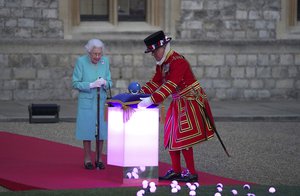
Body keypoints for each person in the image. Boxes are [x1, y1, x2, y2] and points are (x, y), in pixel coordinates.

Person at [137, 31, 215, 182]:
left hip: (191, 99)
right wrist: (138, 94)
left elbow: (171, 85)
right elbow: (156, 82)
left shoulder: (178, 61)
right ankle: (176, 171)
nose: (153, 55)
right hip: (178, 100)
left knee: (183, 138)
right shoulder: (163, 63)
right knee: (171, 135)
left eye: (154, 52)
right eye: (152, 53)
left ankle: (192, 173)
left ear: (163, 47)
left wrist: (151, 100)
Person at [72, 39, 112, 170]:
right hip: (87, 101)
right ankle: (87, 159)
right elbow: (75, 83)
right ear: (89, 52)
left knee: (101, 131)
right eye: (94, 54)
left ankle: (99, 158)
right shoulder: (81, 62)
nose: (97, 56)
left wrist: (106, 83)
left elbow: (110, 82)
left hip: (101, 101)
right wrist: (91, 85)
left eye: (99, 53)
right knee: (87, 131)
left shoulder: (105, 61)